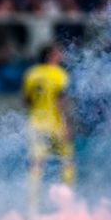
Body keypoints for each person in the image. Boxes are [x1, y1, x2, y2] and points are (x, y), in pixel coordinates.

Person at [23, 42, 74, 210]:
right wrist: (66, 124)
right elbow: (61, 101)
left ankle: (32, 205)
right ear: (52, 56)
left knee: (36, 165)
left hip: (35, 124)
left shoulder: (31, 74)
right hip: (56, 125)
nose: (61, 56)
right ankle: (66, 203)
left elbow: (27, 101)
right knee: (66, 162)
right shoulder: (59, 74)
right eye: (59, 53)